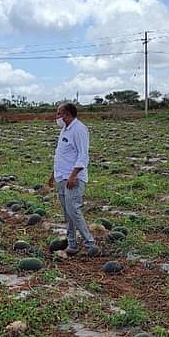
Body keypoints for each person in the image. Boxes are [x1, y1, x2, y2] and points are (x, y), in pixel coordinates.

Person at [47, 102, 97, 256]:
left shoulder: (79, 129)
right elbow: (62, 155)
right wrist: (52, 175)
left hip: (73, 179)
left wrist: (73, 175)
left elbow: (83, 155)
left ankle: (90, 243)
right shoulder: (65, 130)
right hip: (61, 177)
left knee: (73, 210)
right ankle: (72, 244)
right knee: (67, 213)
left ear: (67, 115)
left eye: (59, 114)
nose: (57, 117)